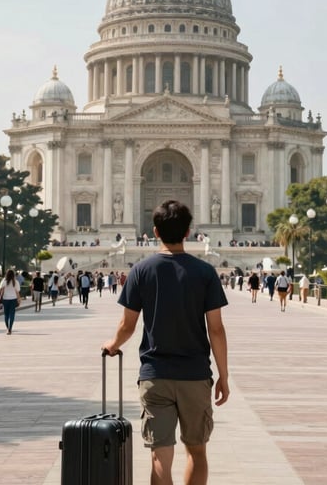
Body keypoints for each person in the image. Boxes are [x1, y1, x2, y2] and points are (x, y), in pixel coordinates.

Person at [102, 200, 229, 485]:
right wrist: (224, 375)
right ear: (188, 232)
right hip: (195, 375)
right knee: (197, 452)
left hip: (155, 375)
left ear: (155, 231)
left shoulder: (141, 270)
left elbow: (127, 325)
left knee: (160, 456)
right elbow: (216, 330)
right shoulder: (205, 272)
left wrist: (113, 344)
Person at [0, 269, 22, 334]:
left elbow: (0, 290)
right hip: (13, 299)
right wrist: (19, 299)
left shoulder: (4, 281)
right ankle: (10, 328)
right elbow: (17, 292)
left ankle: (7, 328)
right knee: (12, 314)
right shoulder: (15, 282)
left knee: (6, 315)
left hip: (5, 299)